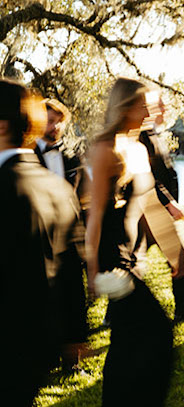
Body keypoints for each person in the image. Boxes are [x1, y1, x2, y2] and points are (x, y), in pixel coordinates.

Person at [85, 78, 173, 406]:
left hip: (130, 253)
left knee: (126, 339)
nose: (149, 111)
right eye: (142, 105)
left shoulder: (136, 147)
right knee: (158, 331)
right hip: (111, 255)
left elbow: (144, 205)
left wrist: (167, 251)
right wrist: (93, 268)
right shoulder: (104, 149)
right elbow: (94, 215)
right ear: (125, 108)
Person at [0, 79, 87, 406]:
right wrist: (76, 335)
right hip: (39, 346)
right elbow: (72, 267)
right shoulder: (57, 188)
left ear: (2, 125)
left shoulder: (6, 186)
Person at [33, 97, 89, 372]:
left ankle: (72, 362)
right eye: (49, 119)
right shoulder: (27, 155)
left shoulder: (71, 155)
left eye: (58, 120)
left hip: (70, 240)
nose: (54, 126)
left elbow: (82, 198)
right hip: (38, 241)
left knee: (73, 299)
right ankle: (42, 360)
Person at [136, 92, 184, 322]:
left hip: (157, 211)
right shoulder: (142, 137)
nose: (164, 109)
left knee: (147, 260)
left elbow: (166, 171)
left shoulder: (155, 134)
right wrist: (168, 203)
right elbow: (150, 176)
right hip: (149, 211)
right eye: (160, 105)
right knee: (168, 257)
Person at [34, 98, 89, 205]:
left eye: (60, 122)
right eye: (50, 121)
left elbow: (82, 195)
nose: (56, 127)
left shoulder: (73, 156)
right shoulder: (27, 155)